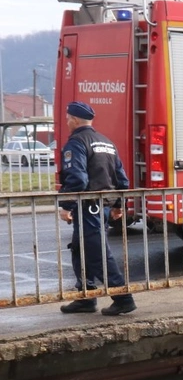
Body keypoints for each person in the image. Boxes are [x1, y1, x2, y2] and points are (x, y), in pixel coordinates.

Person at [57, 101, 136, 316]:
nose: (67, 122)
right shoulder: (106, 142)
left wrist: (66, 205)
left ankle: (123, 298)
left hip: (88, 207)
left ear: (74, 120)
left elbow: (78, 180)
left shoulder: (77, 142)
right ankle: (86, 296)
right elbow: (122, 178)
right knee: (80, 249)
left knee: (97, 253)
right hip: (102, 206)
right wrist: (119, 206)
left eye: (67, 119)